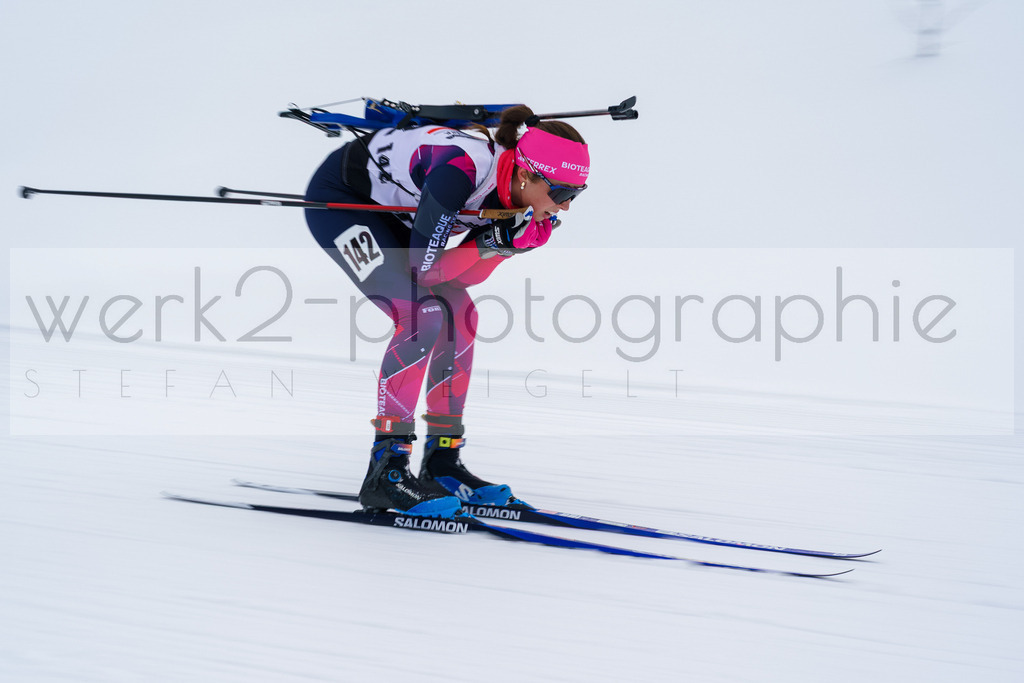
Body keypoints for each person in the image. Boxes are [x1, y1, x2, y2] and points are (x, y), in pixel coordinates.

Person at [304, 105, 589, 518]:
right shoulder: (461, 172)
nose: (564, 208)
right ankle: (386, 470)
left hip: (401, 211)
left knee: (460, 314)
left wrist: (506, 247)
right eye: (562, 194)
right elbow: (426, 269)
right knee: (422, 317)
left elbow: (460, 281)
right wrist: (490, 243)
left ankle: (441, 462)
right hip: (343, 201)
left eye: (576, 195)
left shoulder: (516, 190)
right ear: (528, 174)